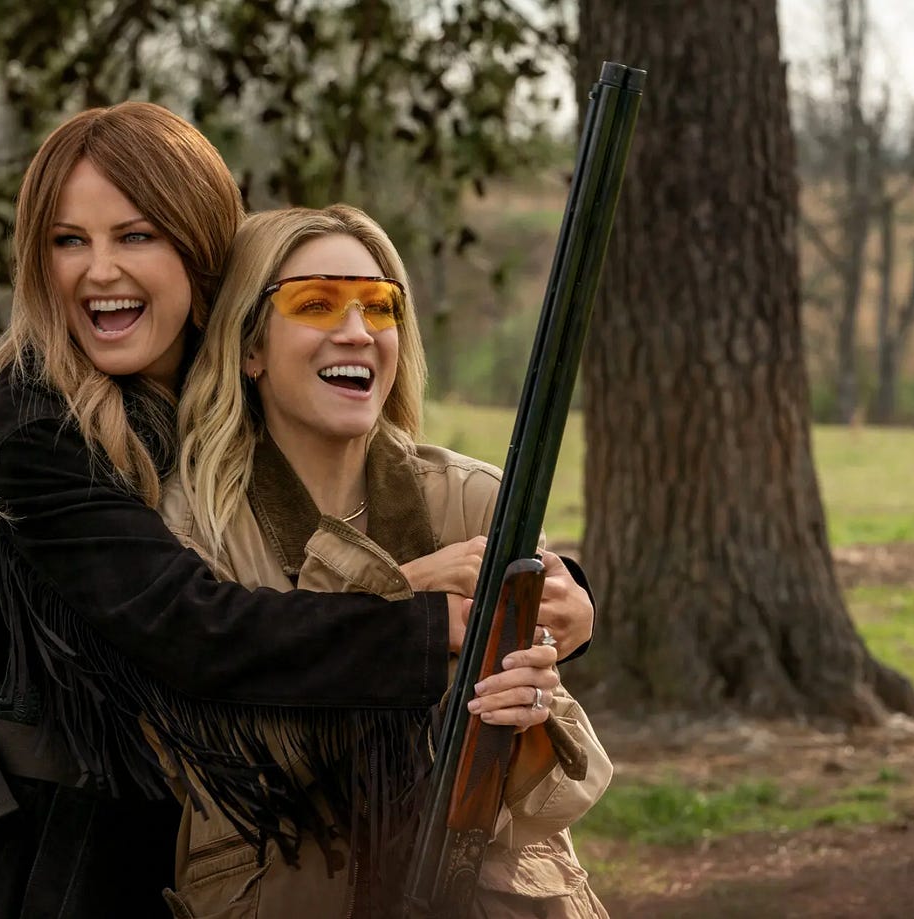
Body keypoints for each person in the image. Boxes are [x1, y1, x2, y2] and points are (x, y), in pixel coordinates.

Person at [0, 104, 593, 919]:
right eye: (68, 240)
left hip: (197, 846)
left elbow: (369, 497)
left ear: (201, 251)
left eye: (136, 235)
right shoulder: (35, 426)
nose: (100, 270)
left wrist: (561, 596)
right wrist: (418, 606)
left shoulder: (219, 372)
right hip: (58, 851)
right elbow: (197, 626)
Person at [160, 204, 612, 917]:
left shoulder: (478, 500)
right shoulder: (195, 525)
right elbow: (224, 767)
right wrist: (398, 597)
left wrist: (528, 712)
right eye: (315, 304)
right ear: (249, 348)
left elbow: (558, 795)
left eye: (379, 306)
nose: (358, 331)